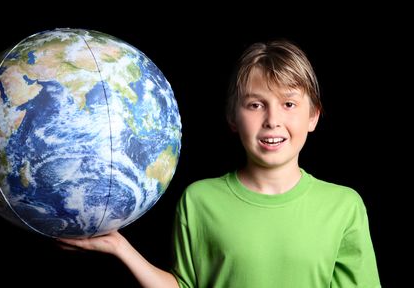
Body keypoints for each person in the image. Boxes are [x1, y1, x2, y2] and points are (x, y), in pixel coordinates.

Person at [59, 39, 381, 287]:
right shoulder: (200, 200)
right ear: (232, 117)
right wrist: (120, 248)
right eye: (255, 104)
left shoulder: (344, 206)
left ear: (313, 116)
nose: (272, 120)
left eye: (288, 104)